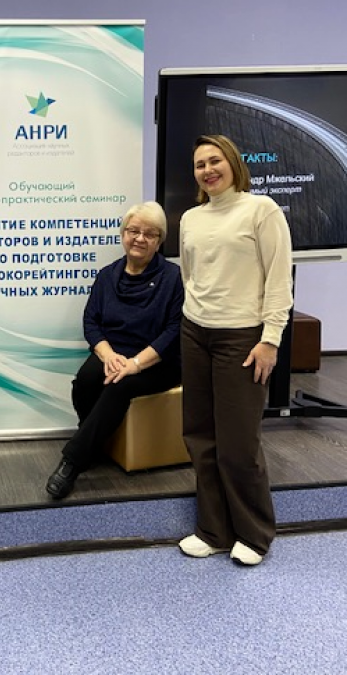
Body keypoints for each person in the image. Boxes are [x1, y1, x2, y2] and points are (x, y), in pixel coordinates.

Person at [178, 134, 293, 566]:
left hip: (242, 339)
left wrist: (270, 339)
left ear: (233, 163)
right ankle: (214, 531)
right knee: (200, 437)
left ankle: (254, 533)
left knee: (238, 443)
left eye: (215, 161)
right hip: (195, 332)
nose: (207, 170)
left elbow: (279, 279)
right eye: (199, 164)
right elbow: (190, 276)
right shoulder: (190, 218)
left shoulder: (261, 210)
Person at [46, 201, 183, 499]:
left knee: (119, 386)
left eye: (150, 233)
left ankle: (72, 462)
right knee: (85, 380)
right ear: (123, 234)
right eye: (133, 231)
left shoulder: (173, 278)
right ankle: (92, 442)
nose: (140, 238)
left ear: (159, 240)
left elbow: (174, 331)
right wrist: (108, 355)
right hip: (115, 353)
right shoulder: (107, 275)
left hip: (158, 361)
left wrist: (135, 364)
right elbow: (91, 321)